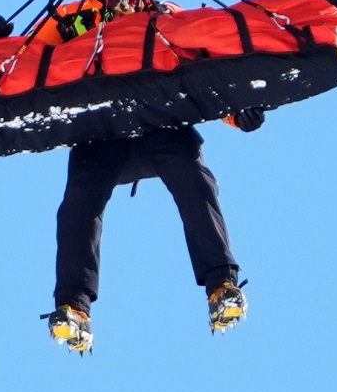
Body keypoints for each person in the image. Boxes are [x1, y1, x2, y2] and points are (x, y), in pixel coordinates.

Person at [44, 113, 262, 354]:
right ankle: (74, 308)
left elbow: (207, 79)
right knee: (80, 202)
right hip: (101, 133)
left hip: (160, 122)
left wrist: (237, 112)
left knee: (193, 178)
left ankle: (222, 286)